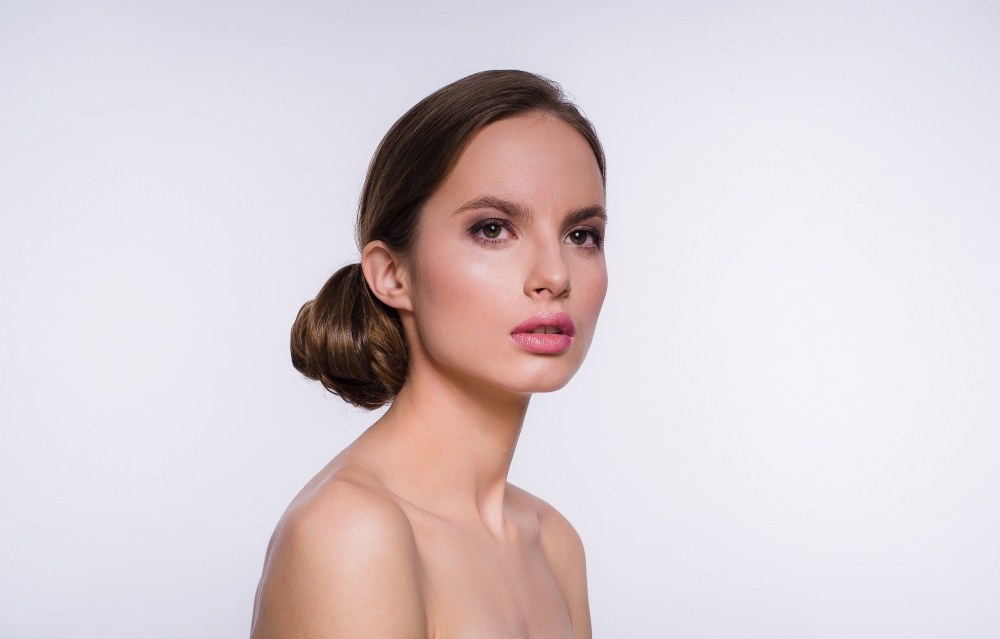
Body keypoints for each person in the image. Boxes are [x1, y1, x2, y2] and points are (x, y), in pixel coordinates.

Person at [250, 70, 608, 639]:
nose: (555, 275)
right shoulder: (350, 534)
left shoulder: (555, 544)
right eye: (493, 229)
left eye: (581, 235)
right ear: (393, 275)